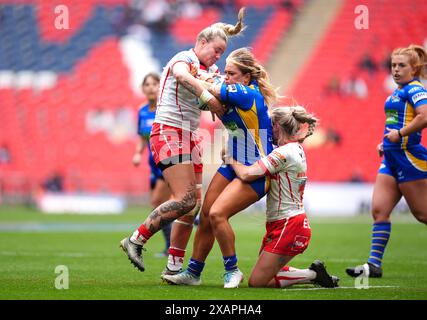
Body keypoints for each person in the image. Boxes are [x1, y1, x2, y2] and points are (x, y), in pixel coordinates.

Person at [120, 8, 246, 273]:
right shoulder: (184, 58)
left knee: (193, 205)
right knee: (186, 199)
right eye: (216, 50)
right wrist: (209, 98)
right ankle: (136, 239)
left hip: (190, 135)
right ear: (201, 42)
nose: (217, 57)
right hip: (169, 131)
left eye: (221, 53)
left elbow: (213, 93)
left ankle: (174, 266)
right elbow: (181, 76)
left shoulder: (208, 70)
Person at [162, 47, 278, 288]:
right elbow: (205, 98)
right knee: (205, 215)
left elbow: (211, 89)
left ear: (246, 77)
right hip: (233, 163)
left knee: (217, 214)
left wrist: (198, 77)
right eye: (225, 72)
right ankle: (193, 273)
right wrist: (204, 80)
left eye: (232, 73)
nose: (227, 77)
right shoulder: (235, 92)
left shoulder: (246, 93)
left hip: (256, 168)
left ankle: (232, 270)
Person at [346, 44, 427, 278]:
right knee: (379, 210)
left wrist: (400, 136)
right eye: (393, 65)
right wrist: (386, 142)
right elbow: (396, 122)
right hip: (392, 156)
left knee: (422, 214)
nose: (396, 70)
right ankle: (374, 265)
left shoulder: (415, 89)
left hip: (408, 157)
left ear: (415, 69)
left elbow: (424, 116)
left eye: (402, 66)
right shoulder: (397, 91)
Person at [132, 72, 172, 257]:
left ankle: (171, 247)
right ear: (142, 88)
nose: (150, 87)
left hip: (167, 162)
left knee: (158, 204)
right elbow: (142, 136)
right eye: (146, 84)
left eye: (154, 83)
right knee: (162, 205)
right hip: (152, 165)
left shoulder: (165, 110)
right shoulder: (142, 111)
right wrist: (138, 153)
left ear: (161, 86)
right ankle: (191, 221)